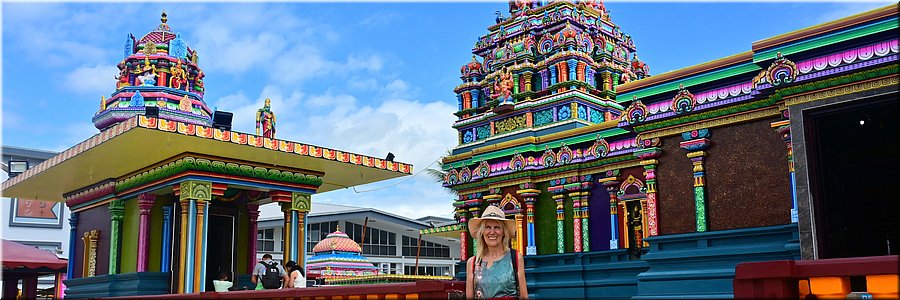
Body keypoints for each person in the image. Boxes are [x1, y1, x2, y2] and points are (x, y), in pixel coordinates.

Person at [466, 205, 528, 299]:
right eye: (488, 227)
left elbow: (524, 296)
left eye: (497, 227)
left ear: (503, 232)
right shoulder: (472, 263)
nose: (492, 232)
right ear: (482, 232)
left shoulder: (515, 258)